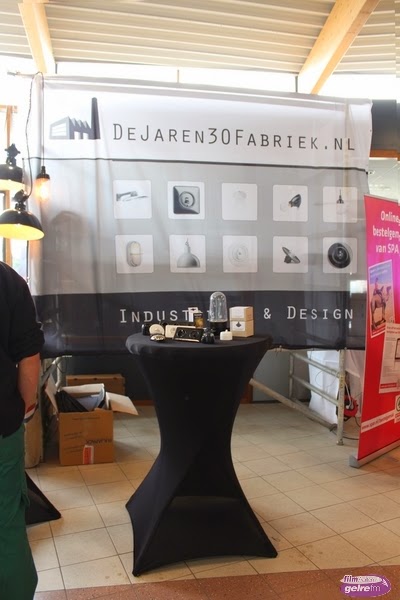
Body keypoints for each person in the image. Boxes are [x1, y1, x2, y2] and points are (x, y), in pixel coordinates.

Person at [0, 260, 44, 600]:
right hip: (1, 429)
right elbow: (29, 357)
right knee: (6, 529)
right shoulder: (7, 281)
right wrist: (24, 411)